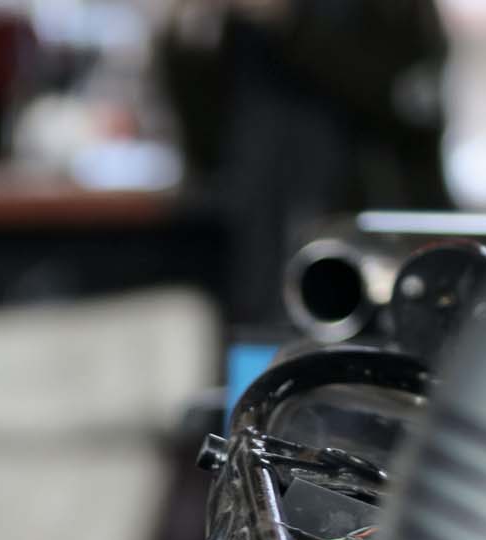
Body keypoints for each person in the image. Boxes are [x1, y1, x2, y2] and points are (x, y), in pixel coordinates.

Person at [159, 0, 453, 326]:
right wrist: (190, 34)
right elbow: (209, 146)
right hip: (259, 264)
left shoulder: (394, 13)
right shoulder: (245, 30)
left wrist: (290, 22)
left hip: (376, 263)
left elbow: (406, 106)